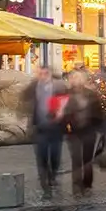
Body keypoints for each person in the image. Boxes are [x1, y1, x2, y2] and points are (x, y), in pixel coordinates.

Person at [20, 65, 67, 197]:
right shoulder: (34, 87)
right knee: (41, 157)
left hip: (56, 127)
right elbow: (23, 99)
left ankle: (53, 175)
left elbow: (67, 101)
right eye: (40, 74)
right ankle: (45, 184)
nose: (43, 76)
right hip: (39, 127)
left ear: (50, 74)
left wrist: (63, 112)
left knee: (55, 156)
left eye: (46, 73)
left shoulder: (59, 87)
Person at [60, 70, 106, 195]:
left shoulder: (91, 94)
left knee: (87, 159)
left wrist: (101, 129)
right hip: (73, 131)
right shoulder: (66, 95)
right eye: (73, 78)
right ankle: (76, 185)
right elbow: (62, 112)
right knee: (76, 158)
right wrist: (64, 125)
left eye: (77, 77)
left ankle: (87, 185)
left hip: (89, 130)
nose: (75, 80)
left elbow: (99, 112)